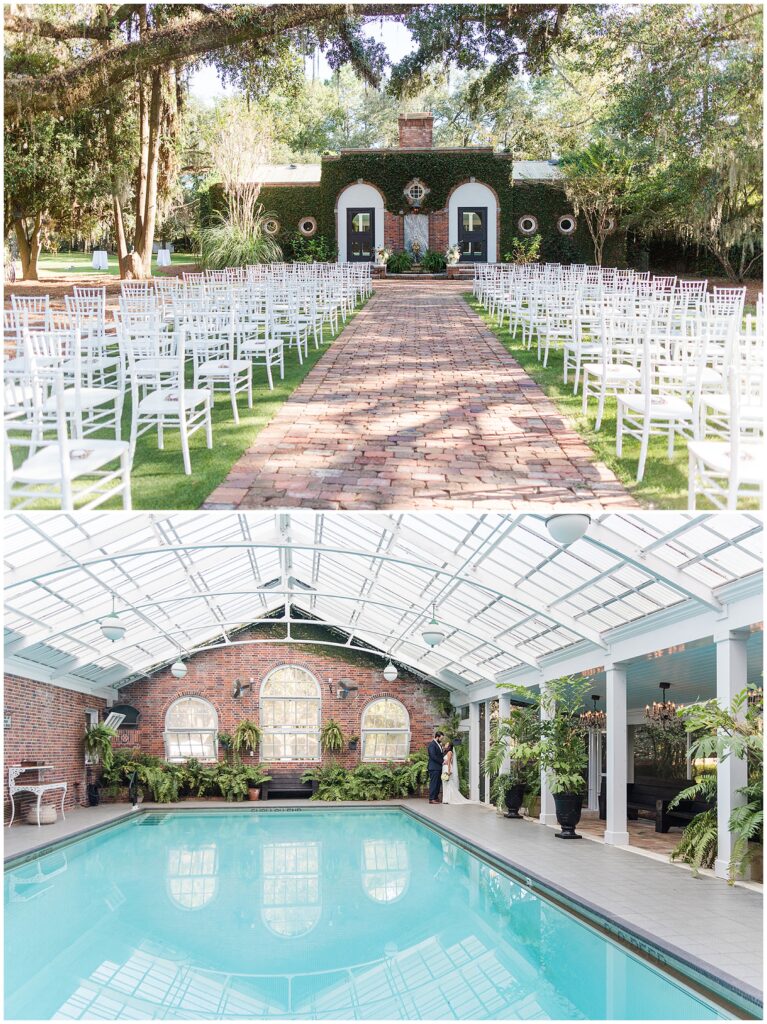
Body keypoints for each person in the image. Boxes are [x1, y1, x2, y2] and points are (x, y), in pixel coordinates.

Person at [427, 731, 444, 803]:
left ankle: (435, 797)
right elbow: (433, 756)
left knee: (438, 783)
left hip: (438, 767)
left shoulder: (438, 744)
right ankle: (431, 798)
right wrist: (442, 761)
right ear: (437, 737)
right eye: (441, 738)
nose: (442, 739)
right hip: (434, 768)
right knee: (434, 783)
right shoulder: (432, 745)